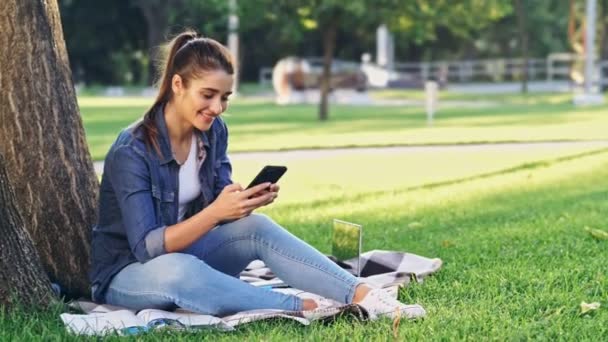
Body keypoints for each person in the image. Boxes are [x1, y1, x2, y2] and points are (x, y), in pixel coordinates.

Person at [89, 30, 425, 321]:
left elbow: (220, 205)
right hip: (129, 273)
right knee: (181, 271)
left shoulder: (212, 131)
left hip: (192, 256)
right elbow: (148, 248)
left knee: (257, 228)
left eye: (225, 97)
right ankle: (300, 305)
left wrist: (242, 204)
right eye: (207, 95)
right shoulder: (132, 149)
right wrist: (215, 213)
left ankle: (363, 295)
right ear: (177, 85)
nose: (217, 108)